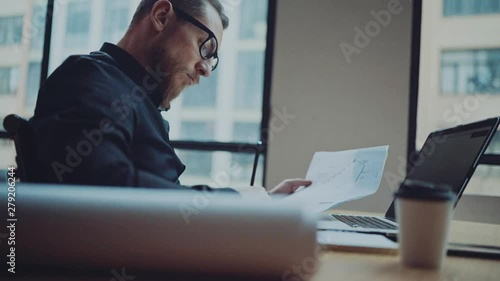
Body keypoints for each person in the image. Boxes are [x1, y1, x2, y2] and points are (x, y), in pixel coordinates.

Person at [30, 0, 311, 197]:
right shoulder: (87, 79)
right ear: (162, 16)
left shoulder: (140, 100)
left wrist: (260, 206)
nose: (206, 69)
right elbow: (105, 189)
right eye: (206, 47)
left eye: (213, 59)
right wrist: (237, 200)